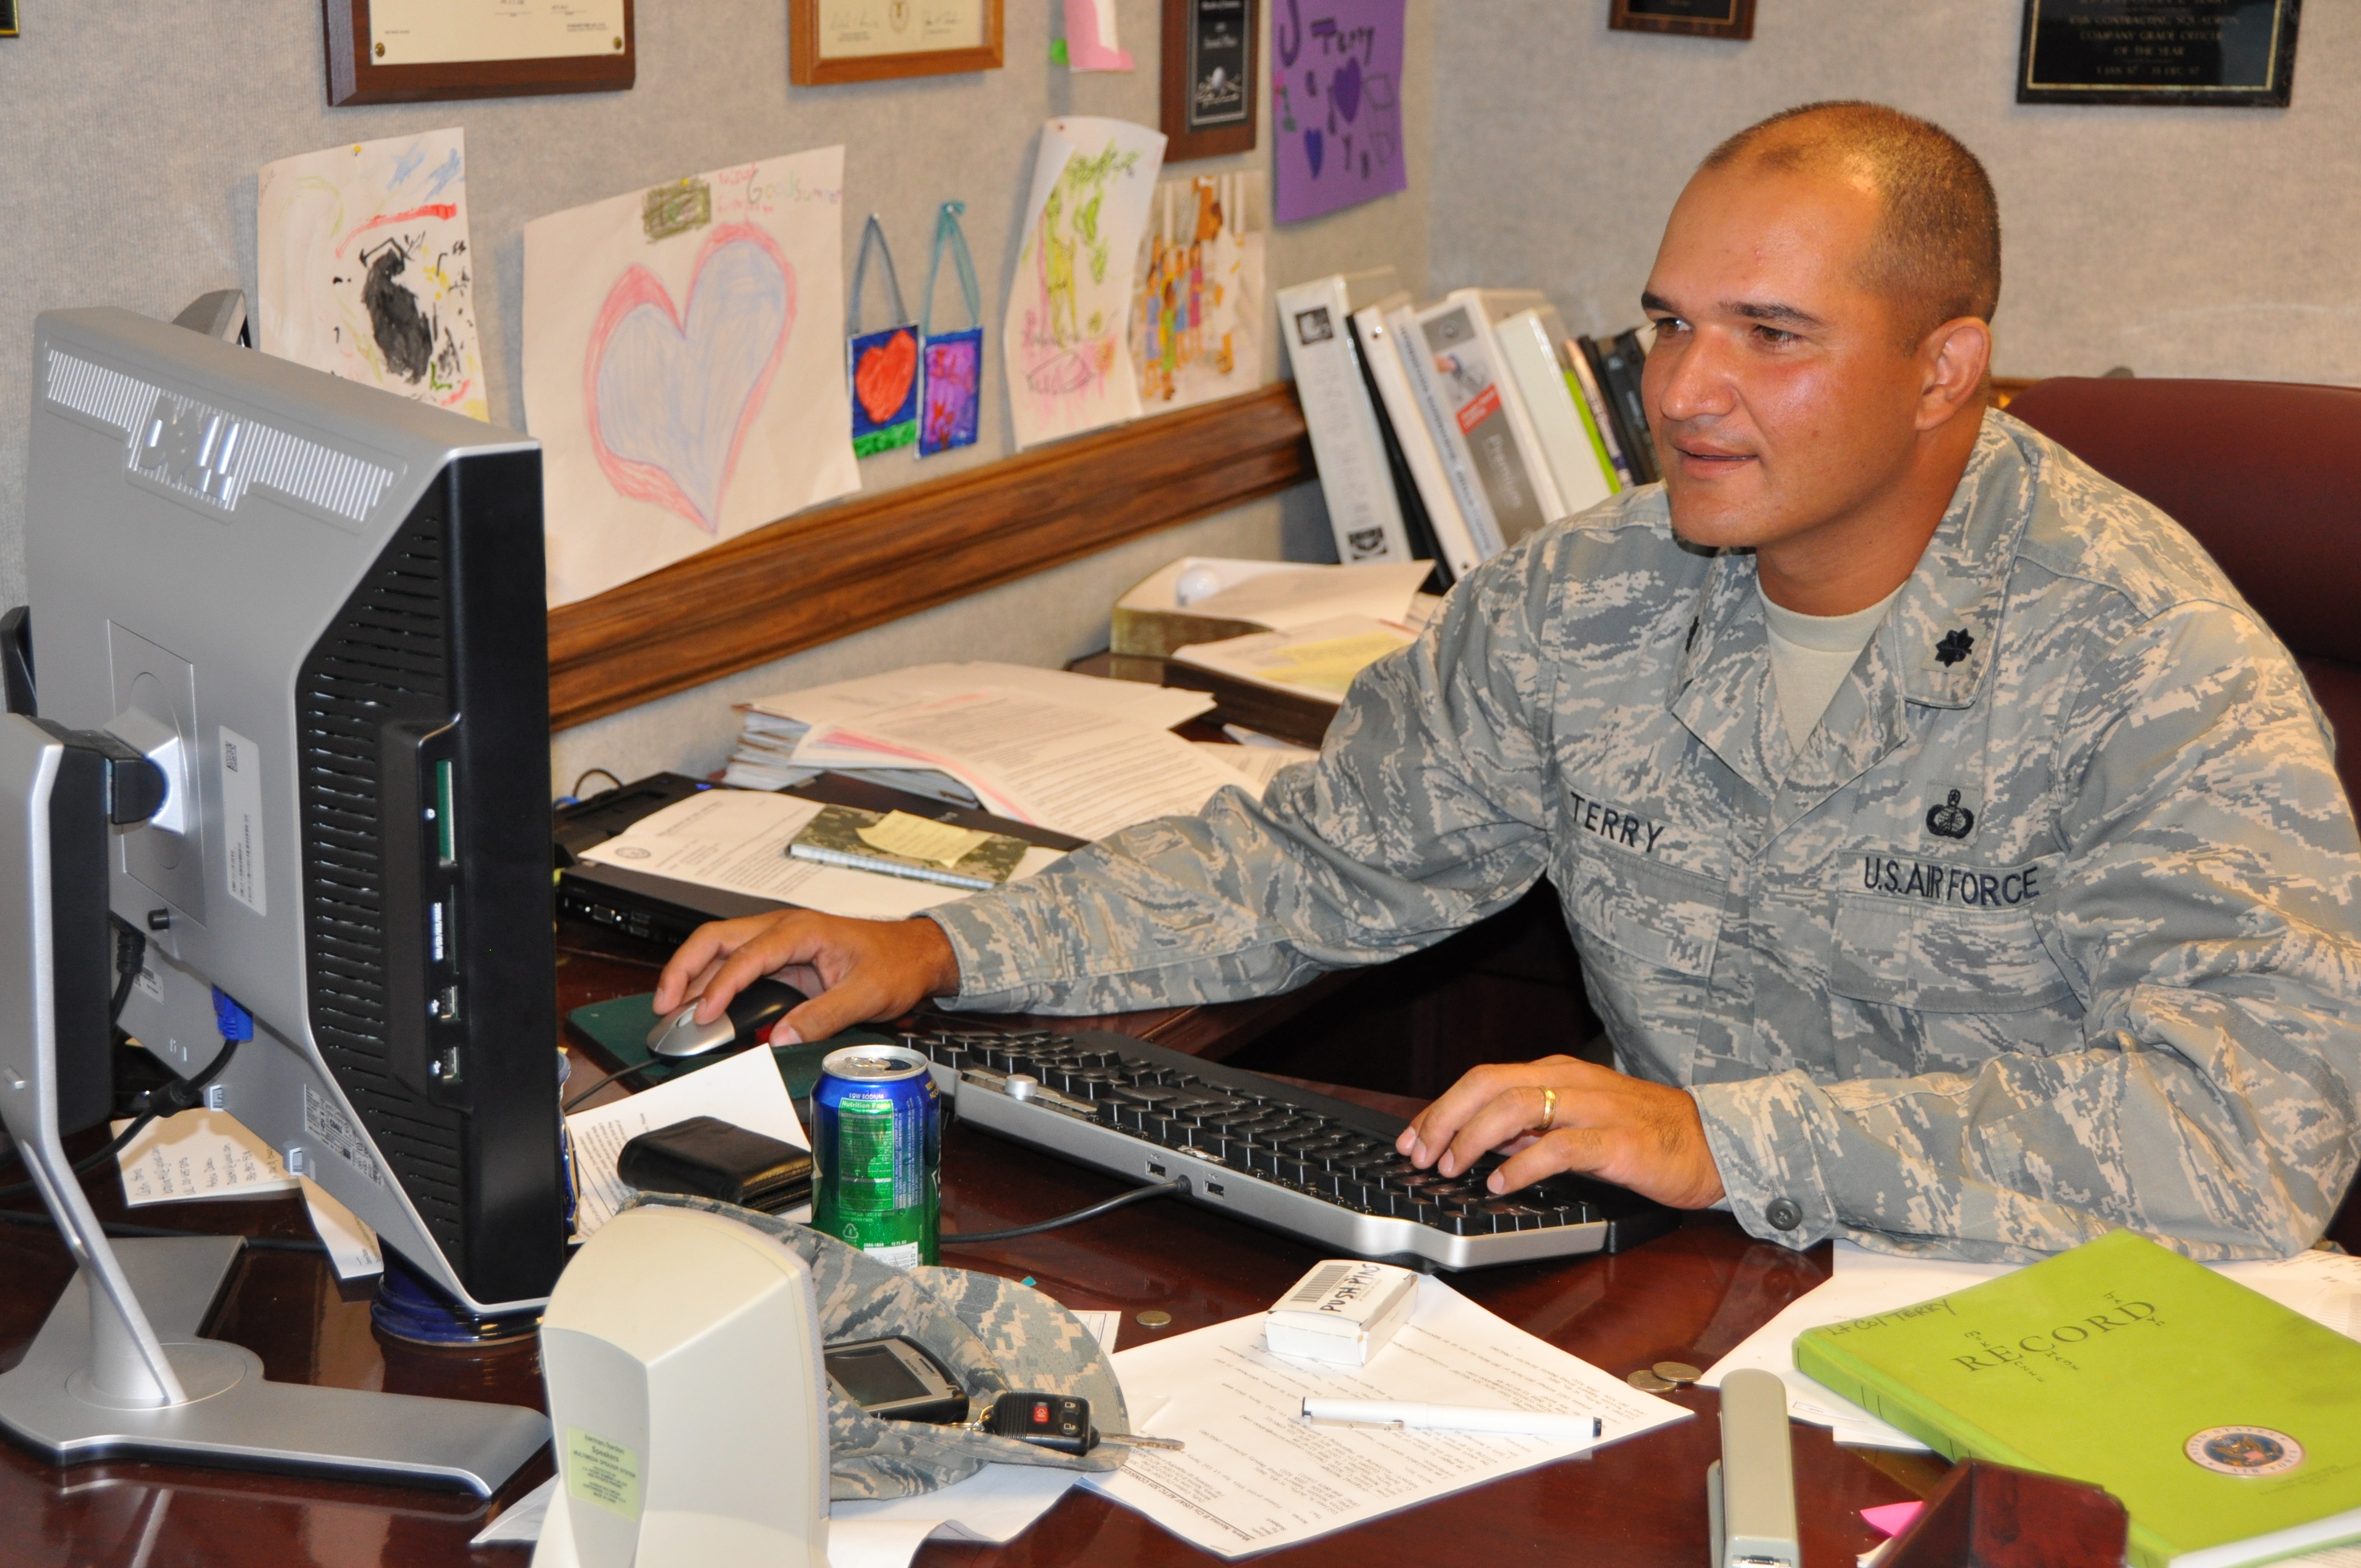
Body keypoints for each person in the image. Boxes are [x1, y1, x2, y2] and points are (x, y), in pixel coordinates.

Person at [657, 102, 2361, 1262]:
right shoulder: (1586, 598)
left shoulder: (2151, 661)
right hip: (1682, 1290)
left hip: (2040, 1319)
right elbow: (1320, 862)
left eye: (1771, 335)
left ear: (1944, 371)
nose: (1684, 390)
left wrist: (1721, 1143)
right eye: (1670, 324)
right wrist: (951, 945)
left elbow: (2255, 1135)